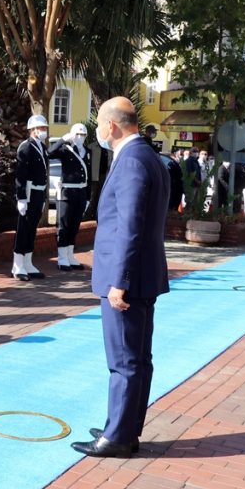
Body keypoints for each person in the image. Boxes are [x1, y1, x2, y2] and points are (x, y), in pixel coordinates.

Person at [72, 97, 169, 458]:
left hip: (128, 280)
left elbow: (130, 226)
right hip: (143, 275)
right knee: (138, 358)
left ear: (111, 126)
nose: (98, 130)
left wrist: (119, 280)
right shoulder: (147, 156)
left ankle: (118, 437)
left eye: (99, 123)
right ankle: (124, 427)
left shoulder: (131, 161)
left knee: (125, 361)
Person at [12, 114, 50, 280]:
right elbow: (20, 174)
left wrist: (43, 196)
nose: (44, 131)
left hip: (38, 193)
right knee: (23, 230)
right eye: (41, 128)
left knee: (32, 229)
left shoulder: (41, 147)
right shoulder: (26, 147)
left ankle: (28, 262)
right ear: (32, 130)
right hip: (28, 193)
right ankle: (18, 265)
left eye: (45, 128)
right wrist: (21, 197)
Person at [48, 123, 90, 271]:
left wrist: (88, 197)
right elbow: (50, 153)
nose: (80, 137)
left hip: (81, 193)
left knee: (74, 226)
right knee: (63, 226)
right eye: (78, 134)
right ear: (72, 135)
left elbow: (88, 176)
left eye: (83, 135)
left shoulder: (87, 151)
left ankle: (70, 255)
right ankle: (62, 257)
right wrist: (62, 140)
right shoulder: (65, 150)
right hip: (66, 193)